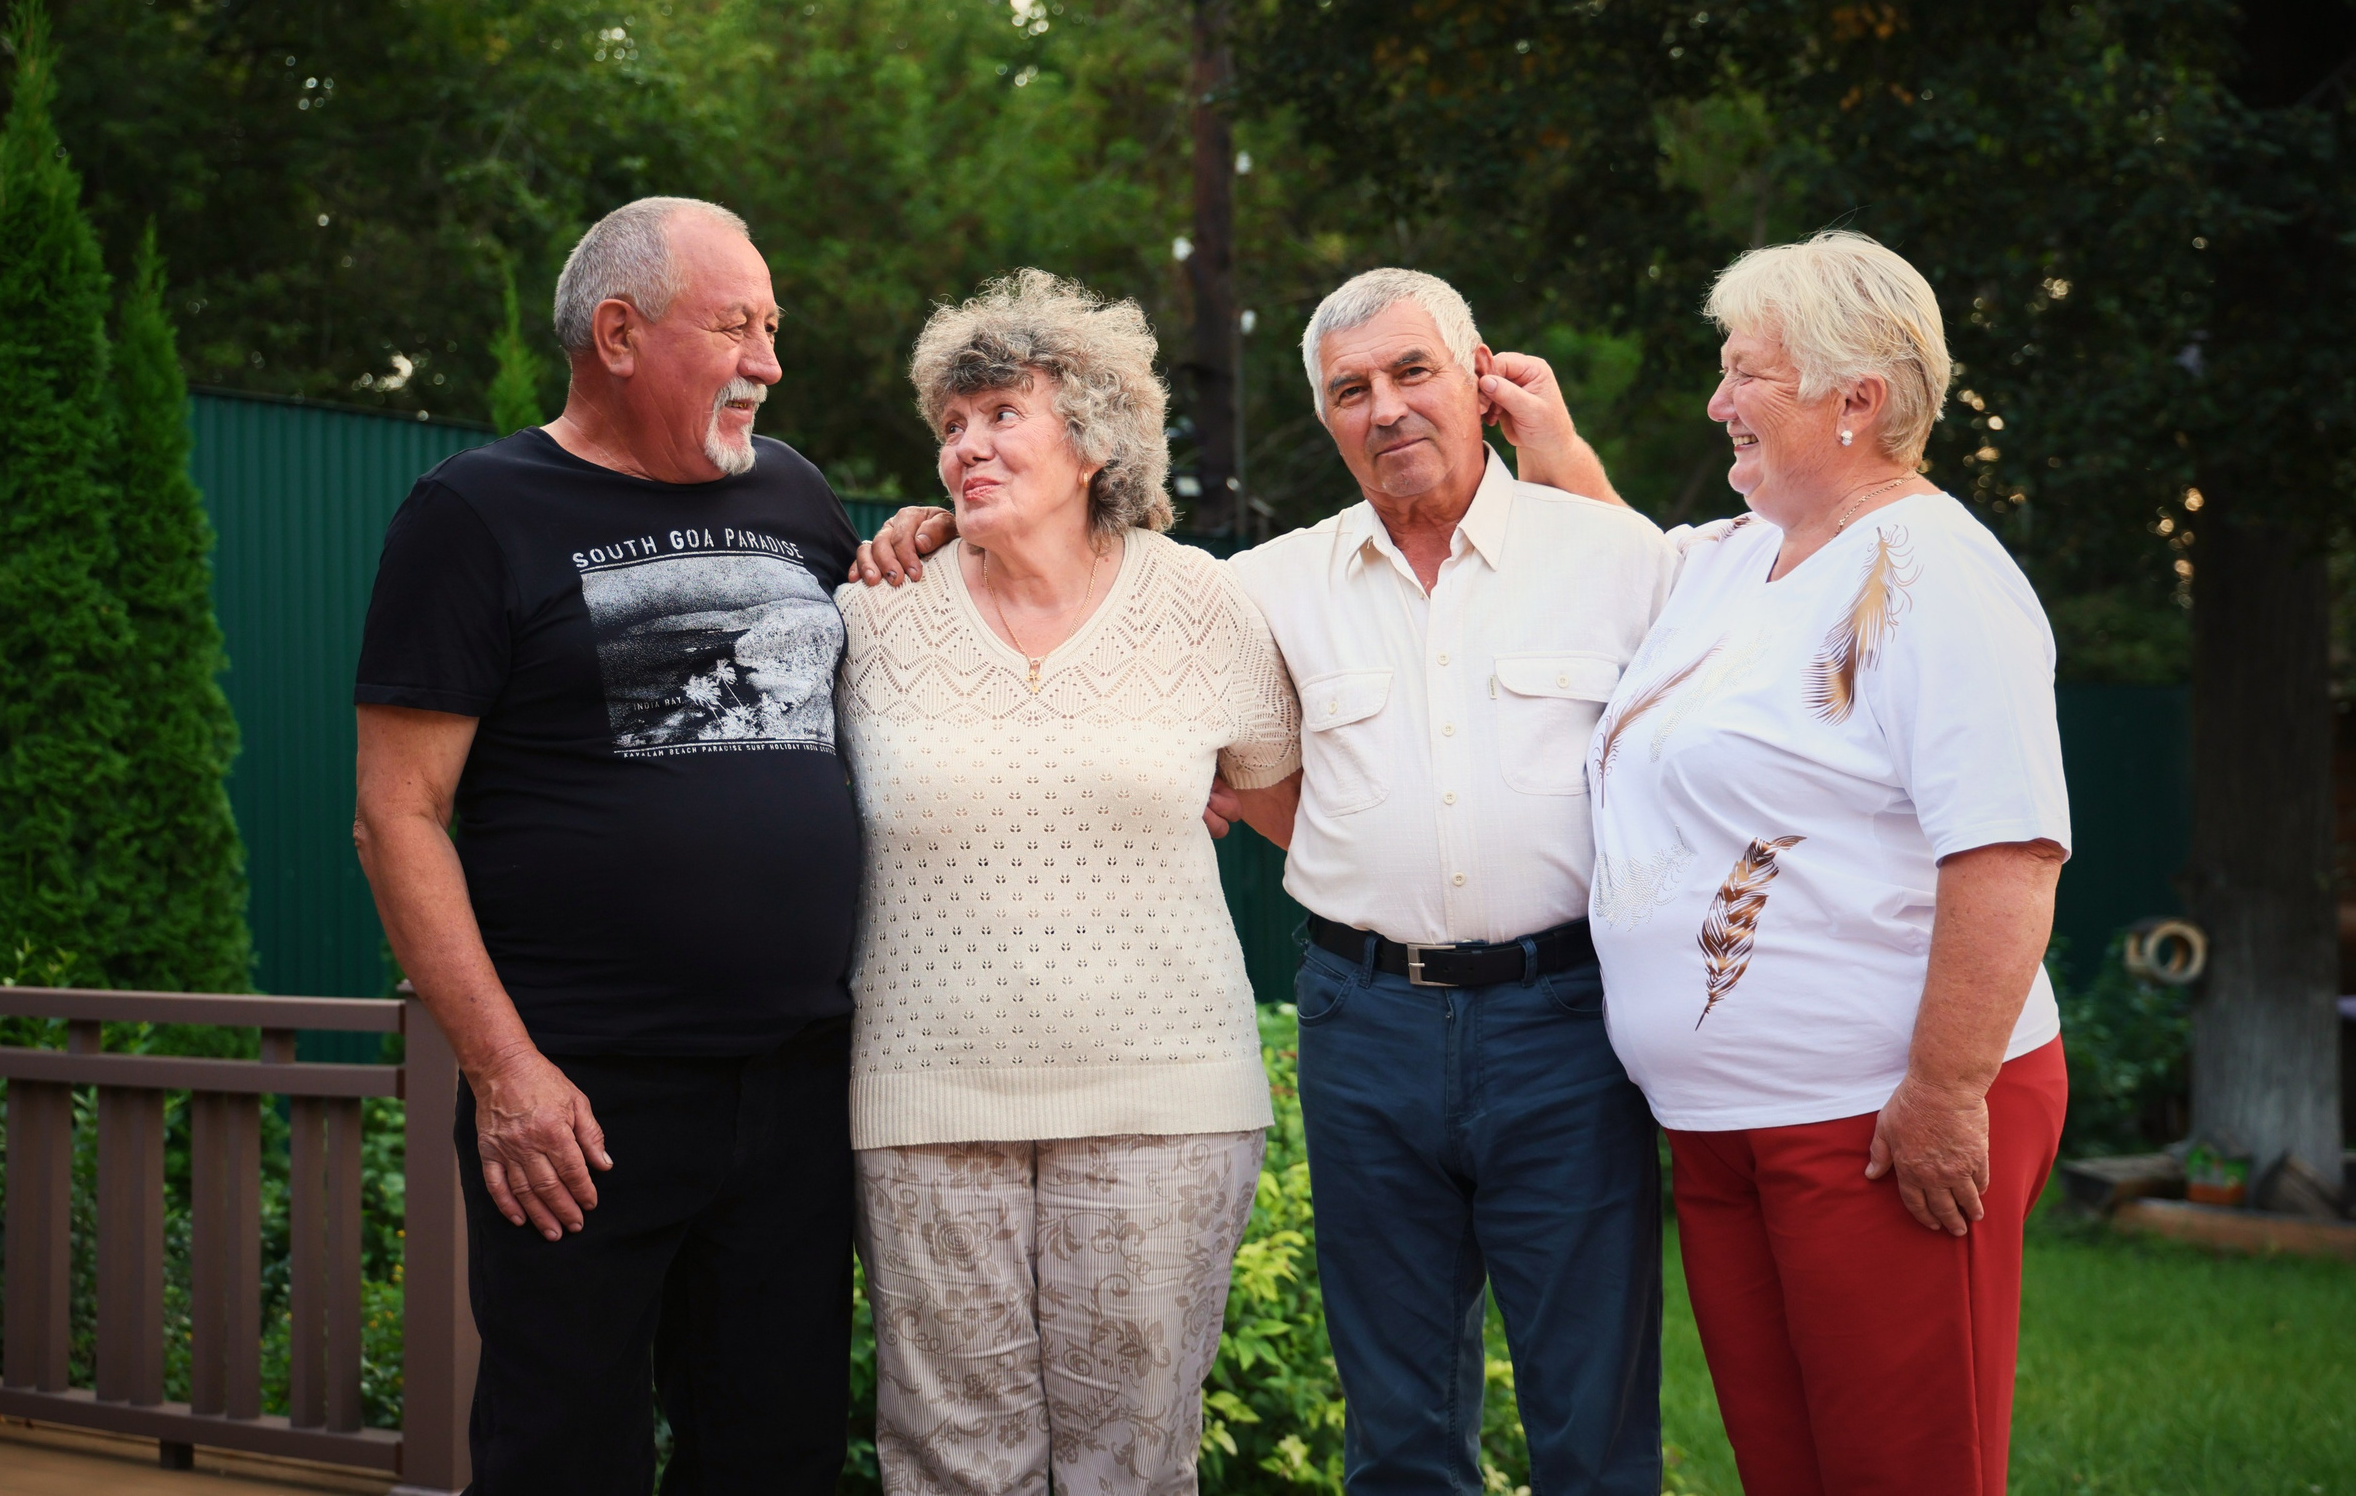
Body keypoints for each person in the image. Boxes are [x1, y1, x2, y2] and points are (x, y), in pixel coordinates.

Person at [859, 267, 1677, 1494]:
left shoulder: (1611, 554)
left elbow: (1694, 699)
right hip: (1371, 1021)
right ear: (1325, 416)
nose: (1386, 408)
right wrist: (935, 525)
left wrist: (1565, 456)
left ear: (1482, 381)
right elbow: (1253, 778)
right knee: (1395, 1416)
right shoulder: (1266, 585)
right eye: (1350, 389)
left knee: (1591, 1406)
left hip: (1565, 1021)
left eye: (1413, 373)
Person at [351, 197, 860, 1495]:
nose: (769, 361)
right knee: (565, 1452)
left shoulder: (800, 496)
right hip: (584, 1099)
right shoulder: (473, 513)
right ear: (620, 333)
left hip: (801, 1083)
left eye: (774, 327)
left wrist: (909, 538)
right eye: (737, 325)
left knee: (777, 1453)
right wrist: (506, 1071)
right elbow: (396, 811)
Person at [1588, 231, 2068, 1495]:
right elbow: (1609, 548)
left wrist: (1945, 1089)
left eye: (1746, 374)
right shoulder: (1743, 556)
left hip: (1875, 1116)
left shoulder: (1937, 573)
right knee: (1790, 1469)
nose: (1716, 401)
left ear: (1855, 401)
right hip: (1725, 1129)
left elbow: (2009, 851)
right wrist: (1538, 440)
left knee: (1906, 1470)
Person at [835, 270, 1302, 1496]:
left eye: (1000, 415)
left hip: (1166, 1100)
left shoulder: (1203, 601)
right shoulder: (874, 615)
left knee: (1133, 1459)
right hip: (927, 1099)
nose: (967, 446)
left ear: (1092, 439)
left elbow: (1282, 803)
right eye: (950, 425)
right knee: (948, 1462)